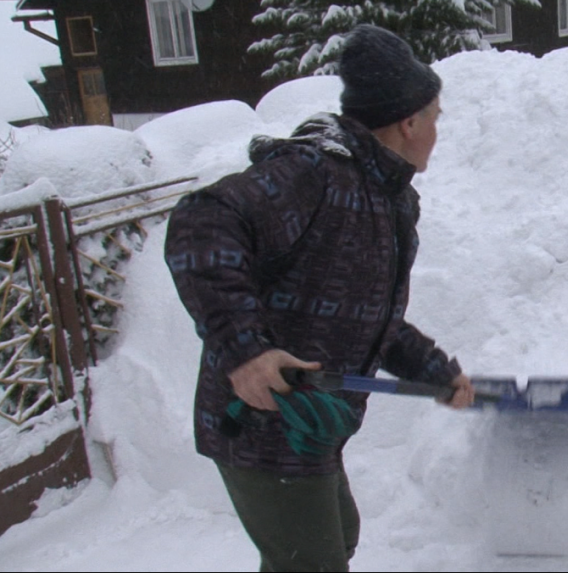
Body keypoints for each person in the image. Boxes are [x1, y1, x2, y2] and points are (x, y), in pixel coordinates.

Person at [164, 24, 474, 572]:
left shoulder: (386, 198)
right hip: (262, 422)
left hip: (309, 425)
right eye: (435, 118)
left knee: (335, 540)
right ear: (408, 122)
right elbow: (201, 223)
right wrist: (246, 352)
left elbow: (372, 316)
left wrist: (434, 371)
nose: (436, 131)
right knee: (312, 564)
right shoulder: (316, 174)